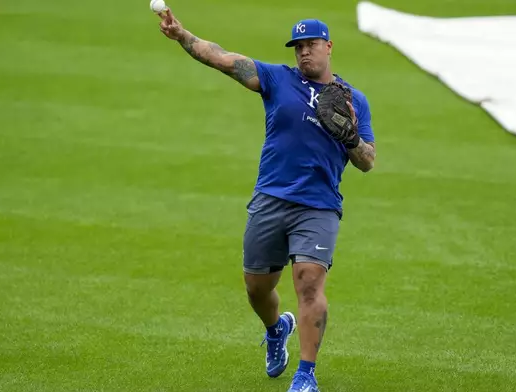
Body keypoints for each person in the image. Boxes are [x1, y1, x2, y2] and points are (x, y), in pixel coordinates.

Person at [157, 9, 376, 392]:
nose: (304, 53)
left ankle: (306, 376)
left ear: (328, 46)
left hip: (319, 205)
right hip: (271, 199)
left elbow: (368, 161)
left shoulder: (354, 100)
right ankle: (277, 329)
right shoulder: (277, 78)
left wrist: (351, 138)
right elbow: (222, 57)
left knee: (309, 283)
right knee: (257, 288)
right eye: (298, 47)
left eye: (311, 45)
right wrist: (182, 35)